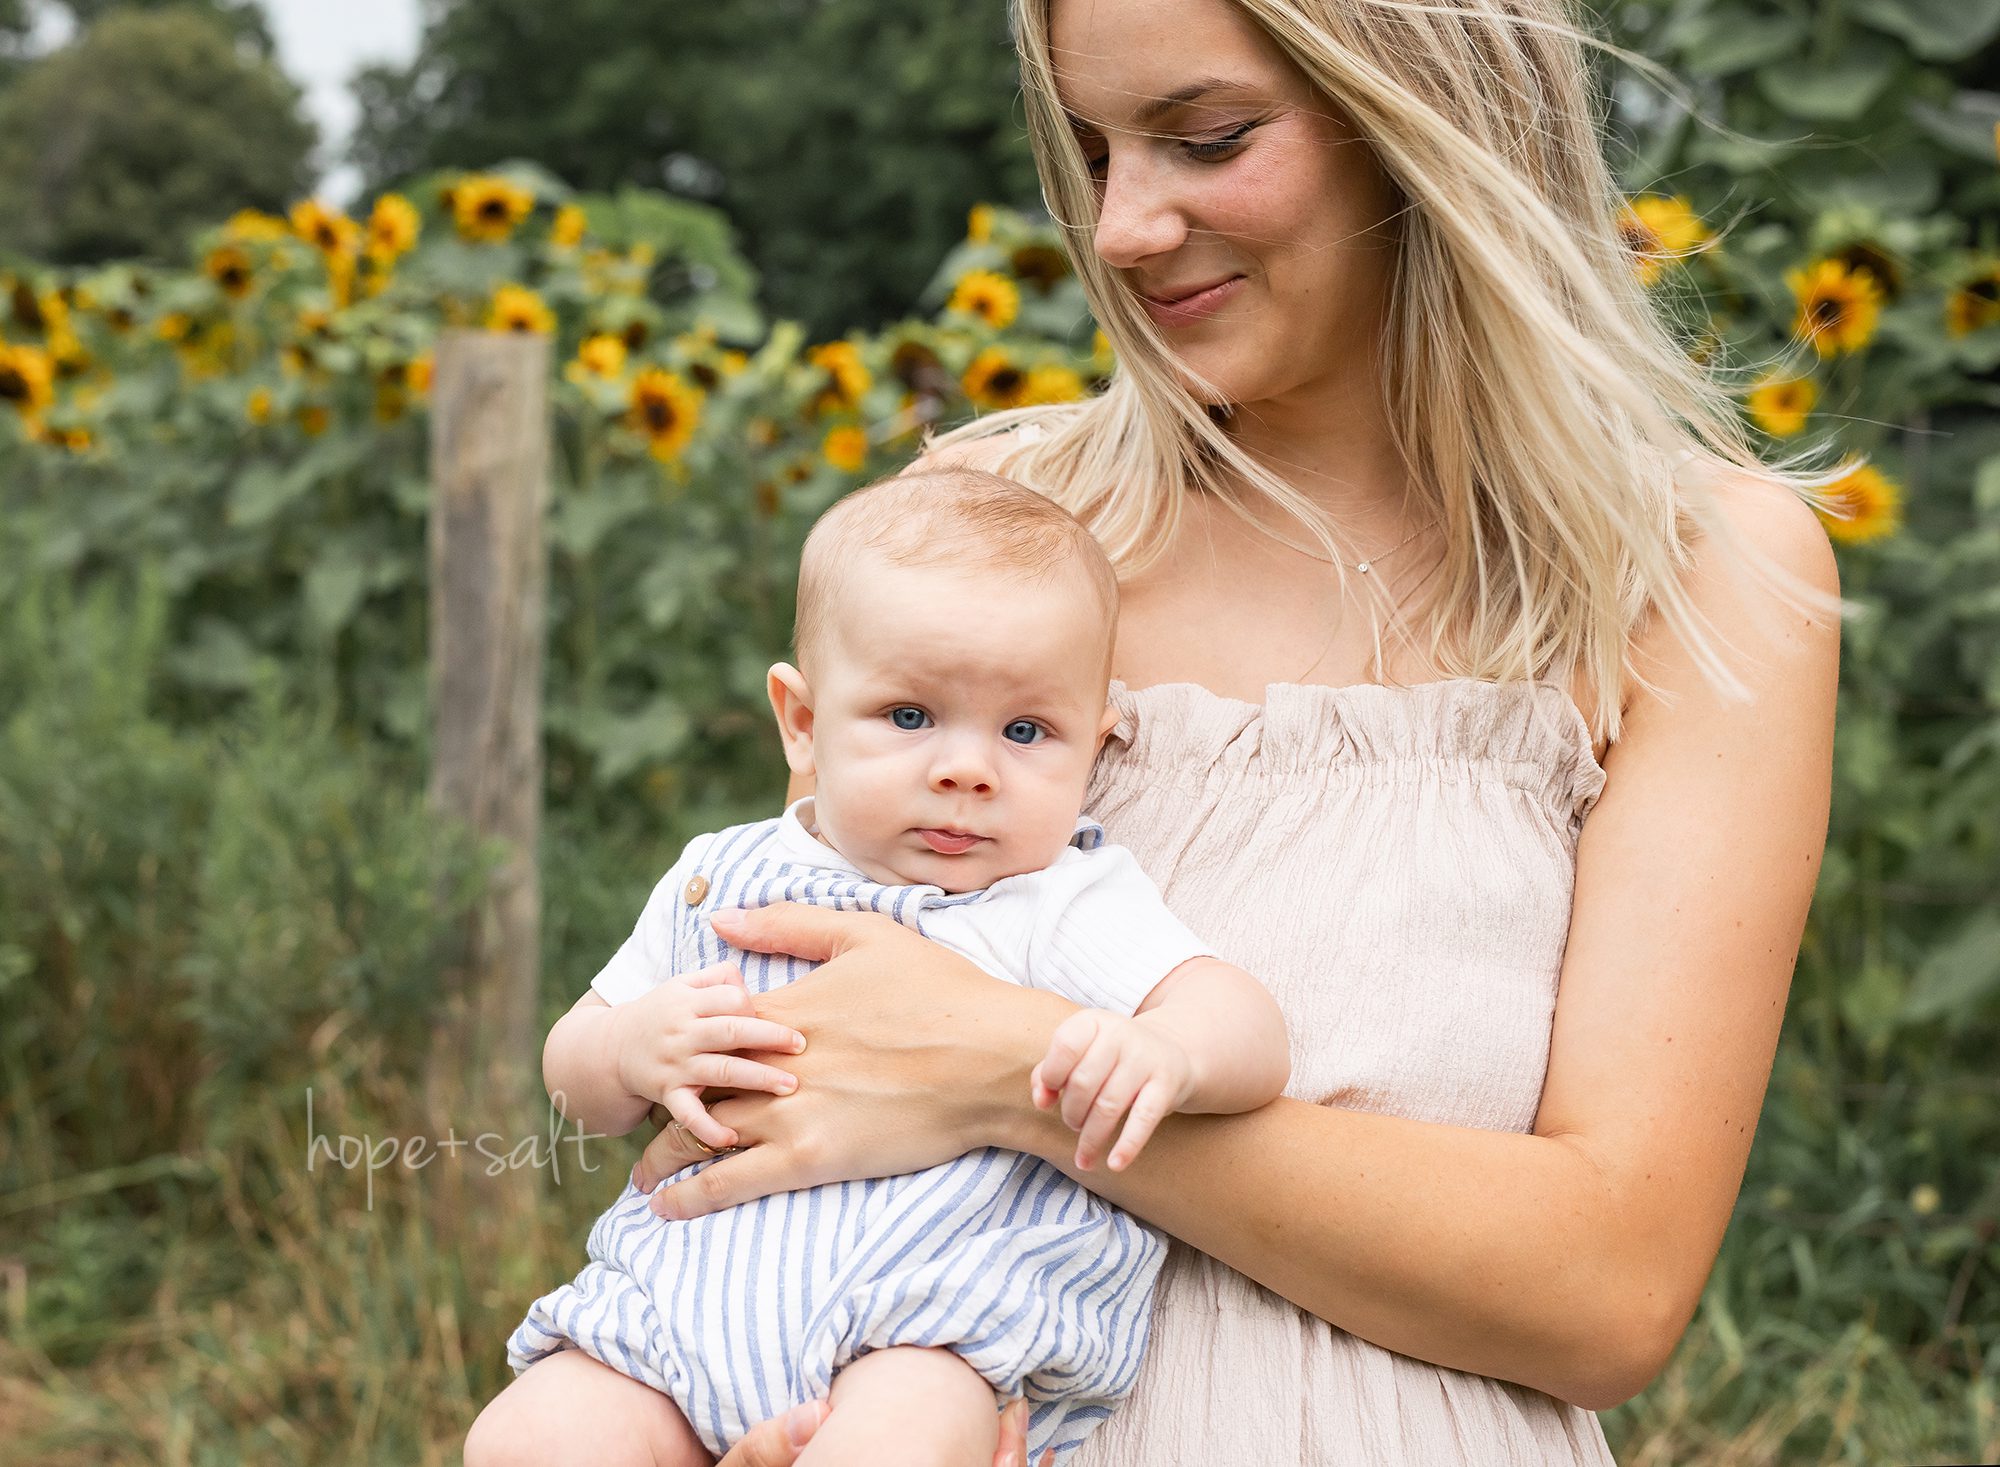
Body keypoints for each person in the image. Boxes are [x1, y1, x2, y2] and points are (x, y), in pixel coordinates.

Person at [601, 0, 1848, 1463]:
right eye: (1091, 148)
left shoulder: (1697, 571)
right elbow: (789, 1082)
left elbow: (1606, 1288)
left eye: (1206, 139)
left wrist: (1012, 1075)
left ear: (1424, 113)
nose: (1124, 227)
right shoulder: (1007, 523)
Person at [465, 470, 1292, 1467]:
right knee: (526, 1439)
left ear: (1097, 739)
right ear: (802, 723)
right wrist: (626, 1048)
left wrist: (1167, 1050)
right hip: (676, 1304)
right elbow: (574, 1086)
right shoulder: (716, 878)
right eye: (909, 716)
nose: (967, 769)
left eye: (1025, 731)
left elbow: (1242, 1020)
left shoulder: (1054, 899)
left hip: (924, 1323)